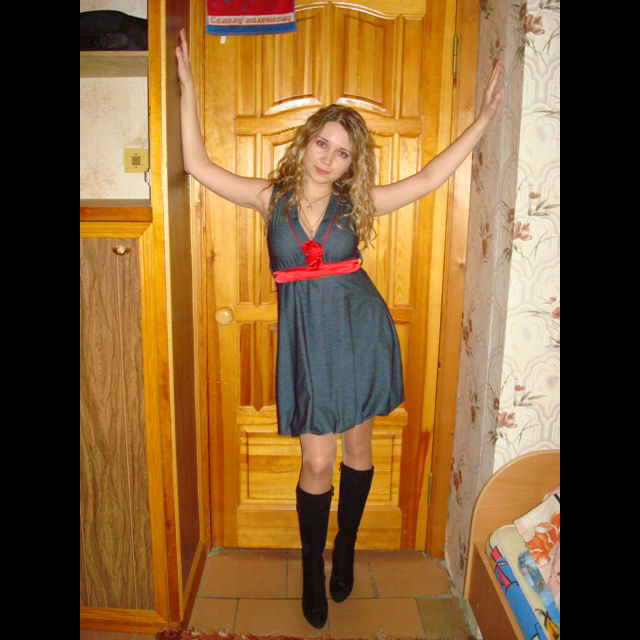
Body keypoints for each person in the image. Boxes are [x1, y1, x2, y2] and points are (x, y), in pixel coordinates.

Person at [176, 27, 503, 629]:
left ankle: (345, 549)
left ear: (353, 164)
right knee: (318, 462)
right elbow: (197, 165)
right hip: (308, 343)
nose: (328, 158)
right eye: (322, 144)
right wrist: (187, 85)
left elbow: (429, 178)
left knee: (357, 449)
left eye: (342, 153)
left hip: (360, 333)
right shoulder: (268, 199)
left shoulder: (358, 205)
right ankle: (312, 568)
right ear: (305, 144)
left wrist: (482, 121)